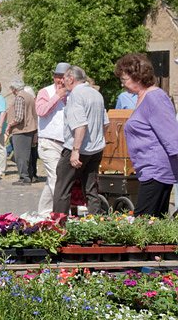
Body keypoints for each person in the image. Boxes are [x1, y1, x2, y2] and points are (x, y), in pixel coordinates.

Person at [115, 54, 178, 216]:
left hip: (156, 170)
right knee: (153, 226)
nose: (123, 85)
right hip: (149, 170)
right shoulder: (142, 97)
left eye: (124, 79)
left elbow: (171, 135)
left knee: (142, 224)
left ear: (138, 76)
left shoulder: (155, 97)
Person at [52, 66, 107, 216]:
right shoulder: (96, 94)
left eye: (64, 78)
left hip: (77, 148)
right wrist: (98, 140)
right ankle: (97, 223)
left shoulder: (76, 95)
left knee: (62, 188)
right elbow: (105, 123)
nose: (62, 81)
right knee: (91, 189)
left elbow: (80, 125)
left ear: (71, 79)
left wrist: (75, 150)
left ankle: (58, 226)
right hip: (95, 149)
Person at [35, 62, 69, 215]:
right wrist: (56, 97)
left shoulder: (73, 93)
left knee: (53, 179)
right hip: (48, 141)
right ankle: (63, 215)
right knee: (57, 179)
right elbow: (41, 111)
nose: (60, 81)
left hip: (66, 143)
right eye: (57, 77)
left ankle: (43, 212)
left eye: (63, 77)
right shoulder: (45, 92)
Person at [7, 81, 37, 186]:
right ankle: (30, 176)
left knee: (21, 156)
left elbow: (19, 117)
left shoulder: (20, 98)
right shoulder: (29, 96)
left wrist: (10, 125)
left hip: (21, 130)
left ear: (14, 89)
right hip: (30, 128)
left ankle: (24, 177)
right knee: (28, 155)